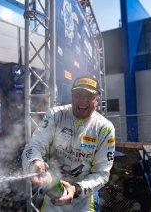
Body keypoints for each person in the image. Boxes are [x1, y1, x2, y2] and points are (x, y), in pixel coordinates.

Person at [21, 76, 116, 211]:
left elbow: (102, 174)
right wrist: (34, 162)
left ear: (97, 99)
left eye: (89, 96)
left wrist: (76, 189)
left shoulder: (105, 128)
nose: (83, 100)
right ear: (71, 96)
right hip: (53, 189)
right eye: (78, 94)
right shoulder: (56, 115)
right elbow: (33, 146)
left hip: (84, 197)